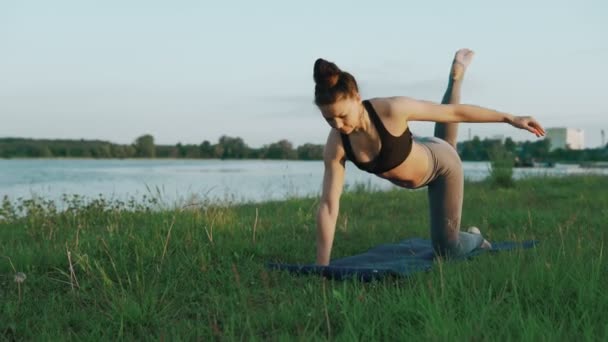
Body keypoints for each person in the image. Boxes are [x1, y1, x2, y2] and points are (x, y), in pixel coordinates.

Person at [313, 49, 545, 266]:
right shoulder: (337, 144)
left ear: (356, 97)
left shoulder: (391, 109)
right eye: (328, 119)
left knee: (446, 250)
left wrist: (510, 118)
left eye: (342, 116)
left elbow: (453, 113)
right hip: (426, 148)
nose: (338, 125)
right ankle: (456, 77)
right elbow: (329, 205)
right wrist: (321, 267)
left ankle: (475, 237)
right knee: (446, 142)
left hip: (443, 168)